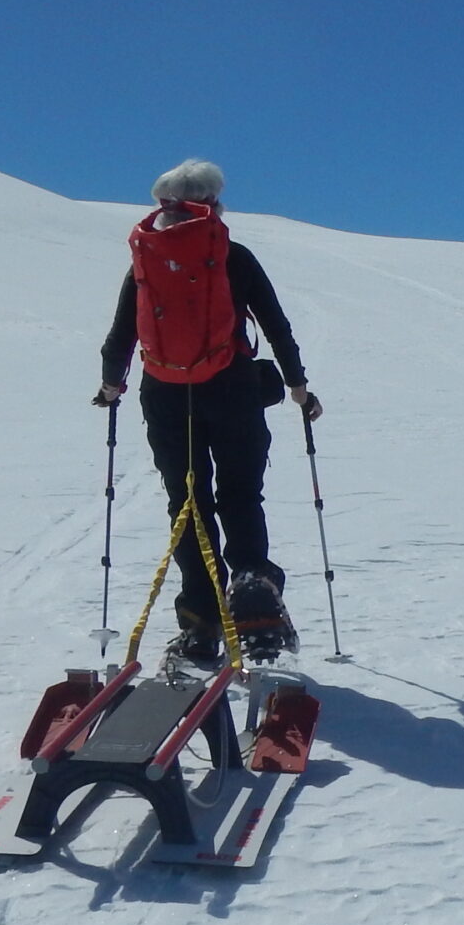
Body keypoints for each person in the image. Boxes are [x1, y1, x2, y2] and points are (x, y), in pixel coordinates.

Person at [95, 159, 323, 664]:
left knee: (188, 505)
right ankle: (256, 611)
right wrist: (299, 387)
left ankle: (200, 625)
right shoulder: (232, 256)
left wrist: (112, 387)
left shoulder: (146, 261)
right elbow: (277, 325)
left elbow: (120, 337)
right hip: (234, 391)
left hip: (166, 396)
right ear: (214, 203)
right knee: (241, 497)